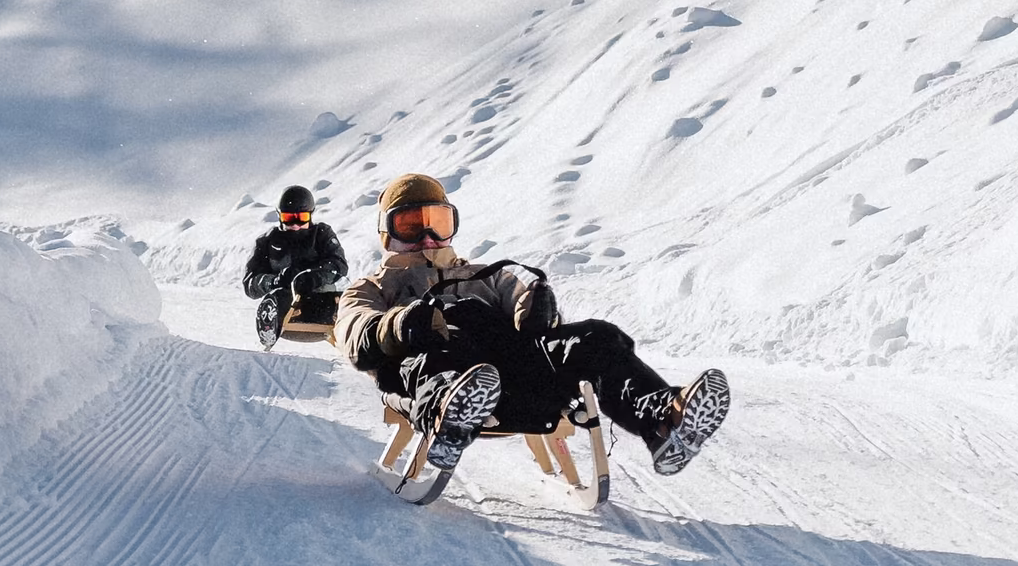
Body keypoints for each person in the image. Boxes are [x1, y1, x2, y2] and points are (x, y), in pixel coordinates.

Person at [335, 173, 729, 473]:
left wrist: (538, 311)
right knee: (450, 329)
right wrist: (402, 324)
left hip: (514, 381)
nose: (427, 236)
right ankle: (449, 418)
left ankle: (663, 421)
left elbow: (527, 310)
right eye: (410, 224)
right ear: (388, 234)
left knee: (595, 336)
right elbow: (355, 335)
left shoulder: (486, 274)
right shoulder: (372, 286)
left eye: (437, 222)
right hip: (441, 373)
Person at [244, 185, 348, 348]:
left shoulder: (321, 234)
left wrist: (313, 277)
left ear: (311, 215)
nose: (295, 225)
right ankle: (270, 326)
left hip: (318, 299)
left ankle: (351, 332)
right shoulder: (267, 242)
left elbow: (339, 264)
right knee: (279, 296)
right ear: (280, 216)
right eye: (289, 218)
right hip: (285, 302)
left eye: (301, 218)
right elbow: (249, 284)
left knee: (343, 297)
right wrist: (274, 281)